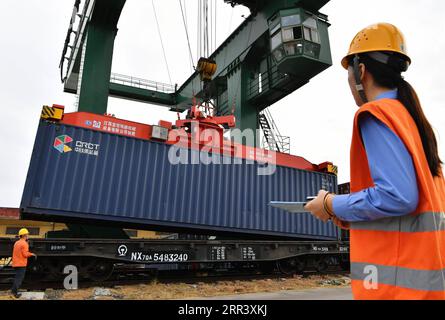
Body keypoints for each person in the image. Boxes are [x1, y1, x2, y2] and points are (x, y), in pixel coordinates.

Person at [305, 23, 445, 300]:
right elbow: (411, 208)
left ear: (360, 71)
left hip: (395, 289)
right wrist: (340, 214)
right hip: (422, 283)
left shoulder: (377, 114)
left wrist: (330, 203)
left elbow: (398, 197)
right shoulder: (412, 121)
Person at [11, 228, 36, 299]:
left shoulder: (17, 242)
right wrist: (32, 254)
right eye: (27, 234)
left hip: (16, 263)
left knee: (17, 278)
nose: (28, 235)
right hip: (21, 264)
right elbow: (25, 254)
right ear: (24, 235)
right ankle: (14, 293)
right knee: (19, 279)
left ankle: (13, 291)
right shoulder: (24, 243)